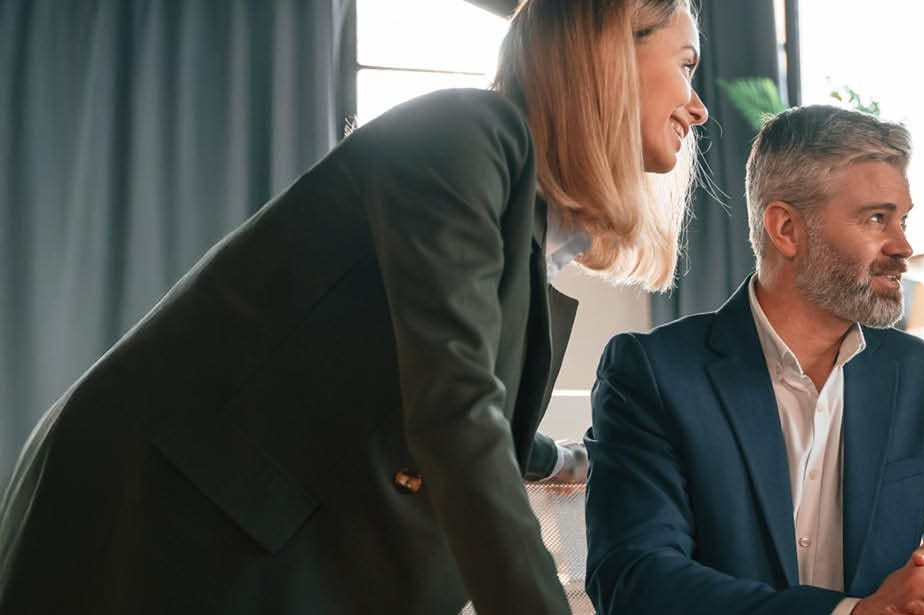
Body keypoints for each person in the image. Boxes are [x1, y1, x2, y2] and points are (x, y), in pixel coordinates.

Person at [0, 0, 708, 612]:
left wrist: (572, 459)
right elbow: (455, 408)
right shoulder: (471, 134)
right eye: (685, 64)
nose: (699, 105)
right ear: (611, 49)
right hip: (157, 524)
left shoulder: (526, 217)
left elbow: (461, 398)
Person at [582, 105, 924, 615]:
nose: (903, 245)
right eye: (877, 218)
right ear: (786, 229)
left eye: (903, 219)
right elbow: (635, 579)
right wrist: (853, 614)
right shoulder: (653, 375)